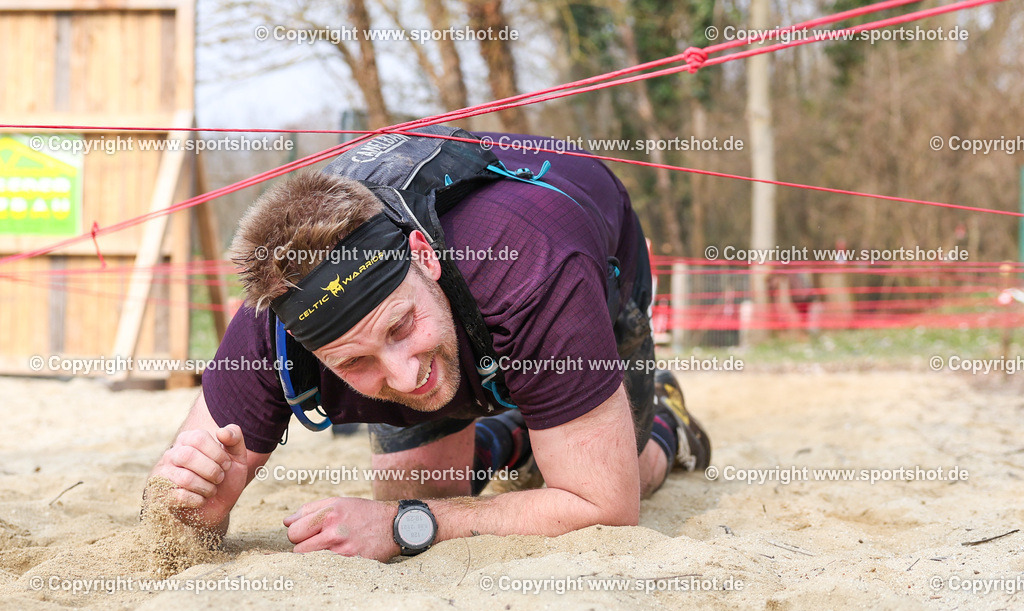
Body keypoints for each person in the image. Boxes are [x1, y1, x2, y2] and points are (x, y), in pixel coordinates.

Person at [145, 128, 711, 561]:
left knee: (618, 477)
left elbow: (605, 511)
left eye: (399, 327)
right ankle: (520, 437)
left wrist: (399, 524)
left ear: (423, 254)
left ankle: (669, 424)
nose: (402, 373)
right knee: (426, 490)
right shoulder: (268, 329)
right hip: (468, 308)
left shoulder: (537, 268)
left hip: (588, 232)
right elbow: (165, 517)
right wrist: (199, 506)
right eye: (356, 361)